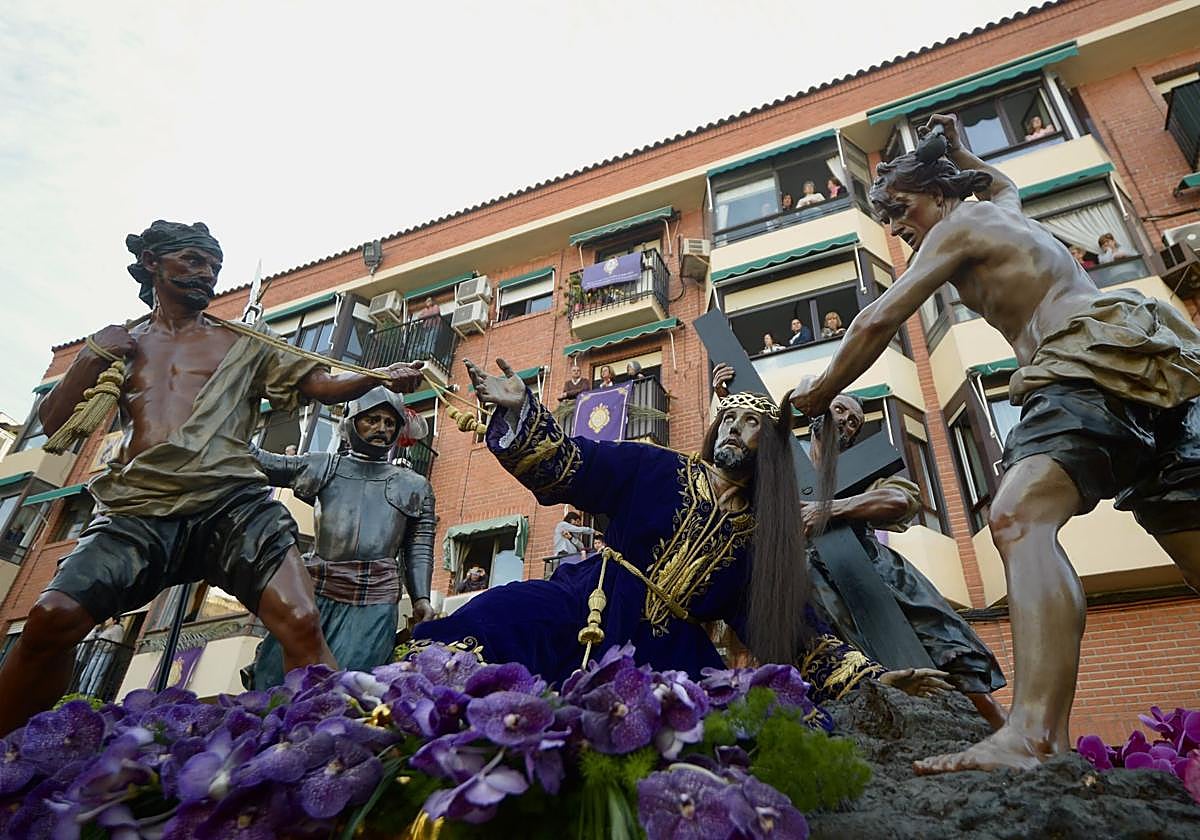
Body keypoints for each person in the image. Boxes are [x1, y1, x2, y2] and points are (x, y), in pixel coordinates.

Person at [790, 113, 1200, 773]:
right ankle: (1037, 737)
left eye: (900, 212)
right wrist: (958, 150)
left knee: (1016, 517)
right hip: (1156, 366)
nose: (898, 229)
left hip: (1084, 361)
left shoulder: (960, 226)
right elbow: (1001, 180)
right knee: (1191, 538)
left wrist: (814, 394)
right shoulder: (1003, 210)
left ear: (935, 196)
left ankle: (1032, 734)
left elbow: (878, 319)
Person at [0, 220, 424, 735]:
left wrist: (376, 376)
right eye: (194, 262)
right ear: (153, 263)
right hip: (141, 505)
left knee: (300, 619)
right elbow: (52, 425)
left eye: (214, 268)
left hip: (232, 501)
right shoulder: (121, 345)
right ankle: (19, 755)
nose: (207, 275)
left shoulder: (243, 341)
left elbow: (319, 383)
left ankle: (329, 744)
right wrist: (90, 355)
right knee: (51, 619)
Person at [414, 358, 950, 706]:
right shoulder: (657, 467)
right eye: (730, 420)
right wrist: (521, 410)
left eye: (751, 425)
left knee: (729, 728)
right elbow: (569, 465)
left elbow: (792, 633)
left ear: (769, 450)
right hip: (594, 602)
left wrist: (871, 678)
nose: (736, 429)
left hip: (674, 649)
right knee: (499, 616)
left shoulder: (761, 542)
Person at [803, 389, 1007, 728]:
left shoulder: (864, 468)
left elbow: (900, 499)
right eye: (838, 409)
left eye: (853, 420)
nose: (844, 421)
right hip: (816, 583)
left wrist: (828, 509)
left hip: (877, 570)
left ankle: (1011, 735)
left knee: (947, 644)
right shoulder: (784, 468)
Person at [249, 387, 435, 688]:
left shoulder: (415, 485)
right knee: (278, 683)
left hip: (375, 599)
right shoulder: (324, 466)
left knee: (354, 689)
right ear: (352, 421)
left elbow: (419, 546)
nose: (382, 429)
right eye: (372, 419)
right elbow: (259, 462)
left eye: (390, 423)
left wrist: (421, 597)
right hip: (317, 588)